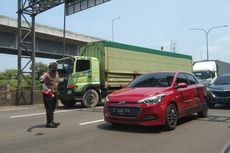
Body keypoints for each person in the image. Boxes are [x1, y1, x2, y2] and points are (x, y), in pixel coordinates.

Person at [40, 62, 60, 128]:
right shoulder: (46, 74)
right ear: (50, 68)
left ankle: (52, 121)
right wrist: (43, 84)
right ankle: (48, 123)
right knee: (49, 108)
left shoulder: (56, 73)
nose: (55, 69)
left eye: (55, 67)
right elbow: (41, 79)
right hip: (48, 93)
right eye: (53, 67)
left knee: (53, 107)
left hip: (54, 93)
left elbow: (56, 81)